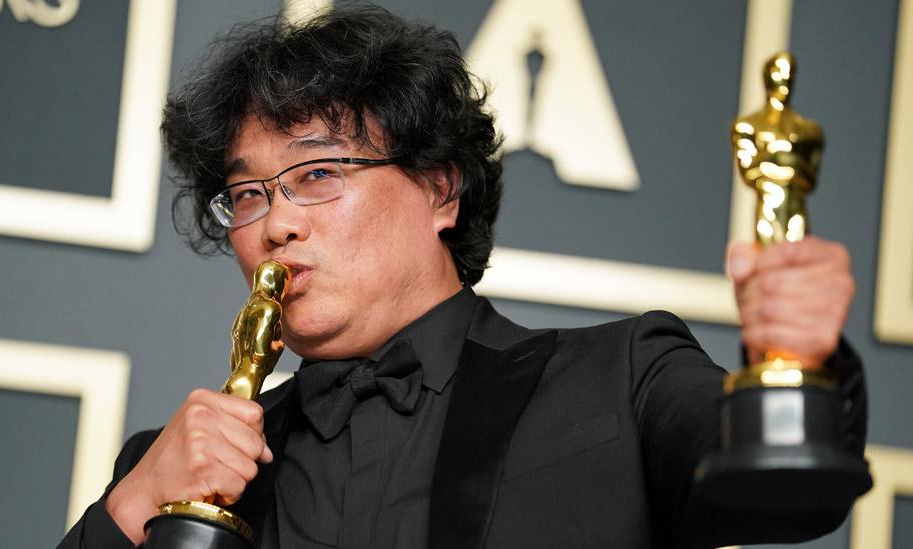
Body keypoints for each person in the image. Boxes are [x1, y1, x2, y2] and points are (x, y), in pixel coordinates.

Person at [59, 4, 866, 548]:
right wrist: (127, 507)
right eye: (246, 193)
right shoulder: (182, 470)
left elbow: (789, 494)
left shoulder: (623, 379)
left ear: (441, 188)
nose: (276, 223)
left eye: (316, 174)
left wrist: (798, 366)